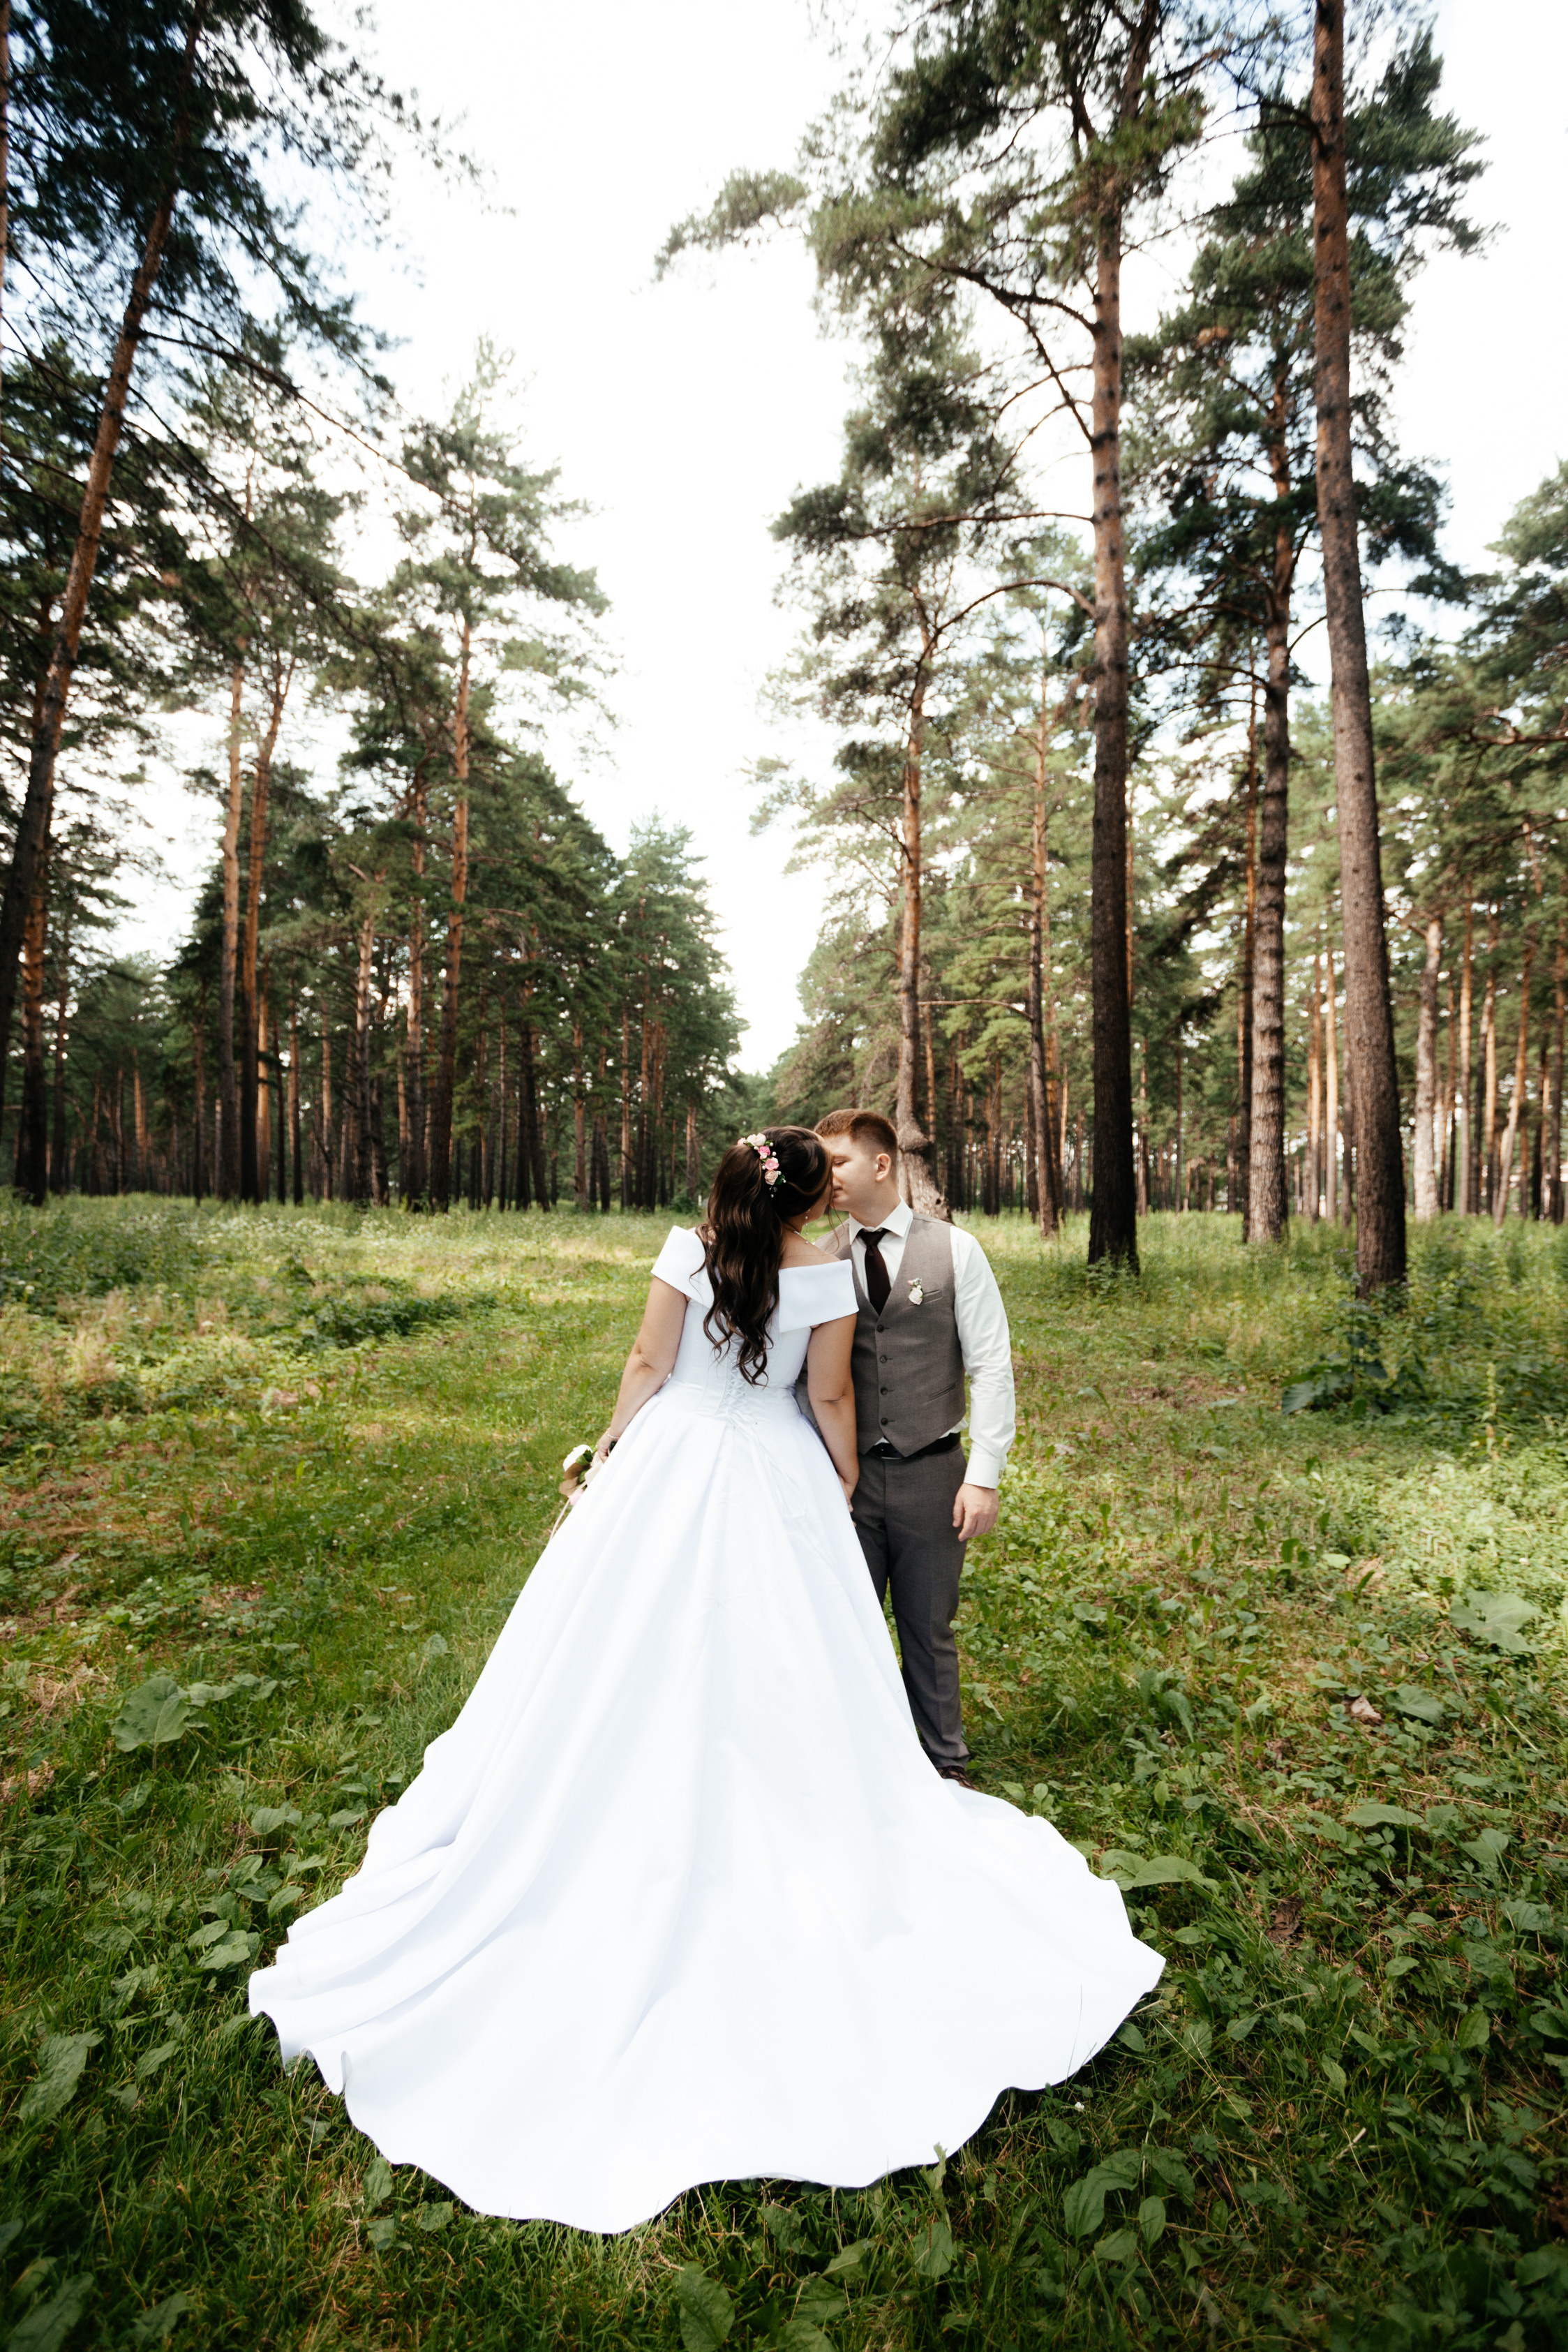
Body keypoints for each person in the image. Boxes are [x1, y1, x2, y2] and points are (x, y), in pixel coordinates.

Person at [248, 1126, 1161, 2234]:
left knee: (615, 1647)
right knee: (784, 1666)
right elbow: (830, 1401)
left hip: (673, 1457)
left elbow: (644, 1364)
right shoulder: (822, 1272)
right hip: (769, 1468)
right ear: (809, 1194)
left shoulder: (686, 1247)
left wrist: (612, 1452)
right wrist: (831, 1486)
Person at [813, 1107, 1014, 1786]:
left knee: (929, 1629)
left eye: (837, 1161)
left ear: (881, 1162)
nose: (827, 1175)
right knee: (851, 1627)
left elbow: (990, 1365)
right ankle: (862, 1763)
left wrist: (982, 1475)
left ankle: (945, 1766)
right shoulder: (820, 1257)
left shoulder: (956, 1250)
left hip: (933, 1469)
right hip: (847, 1477)